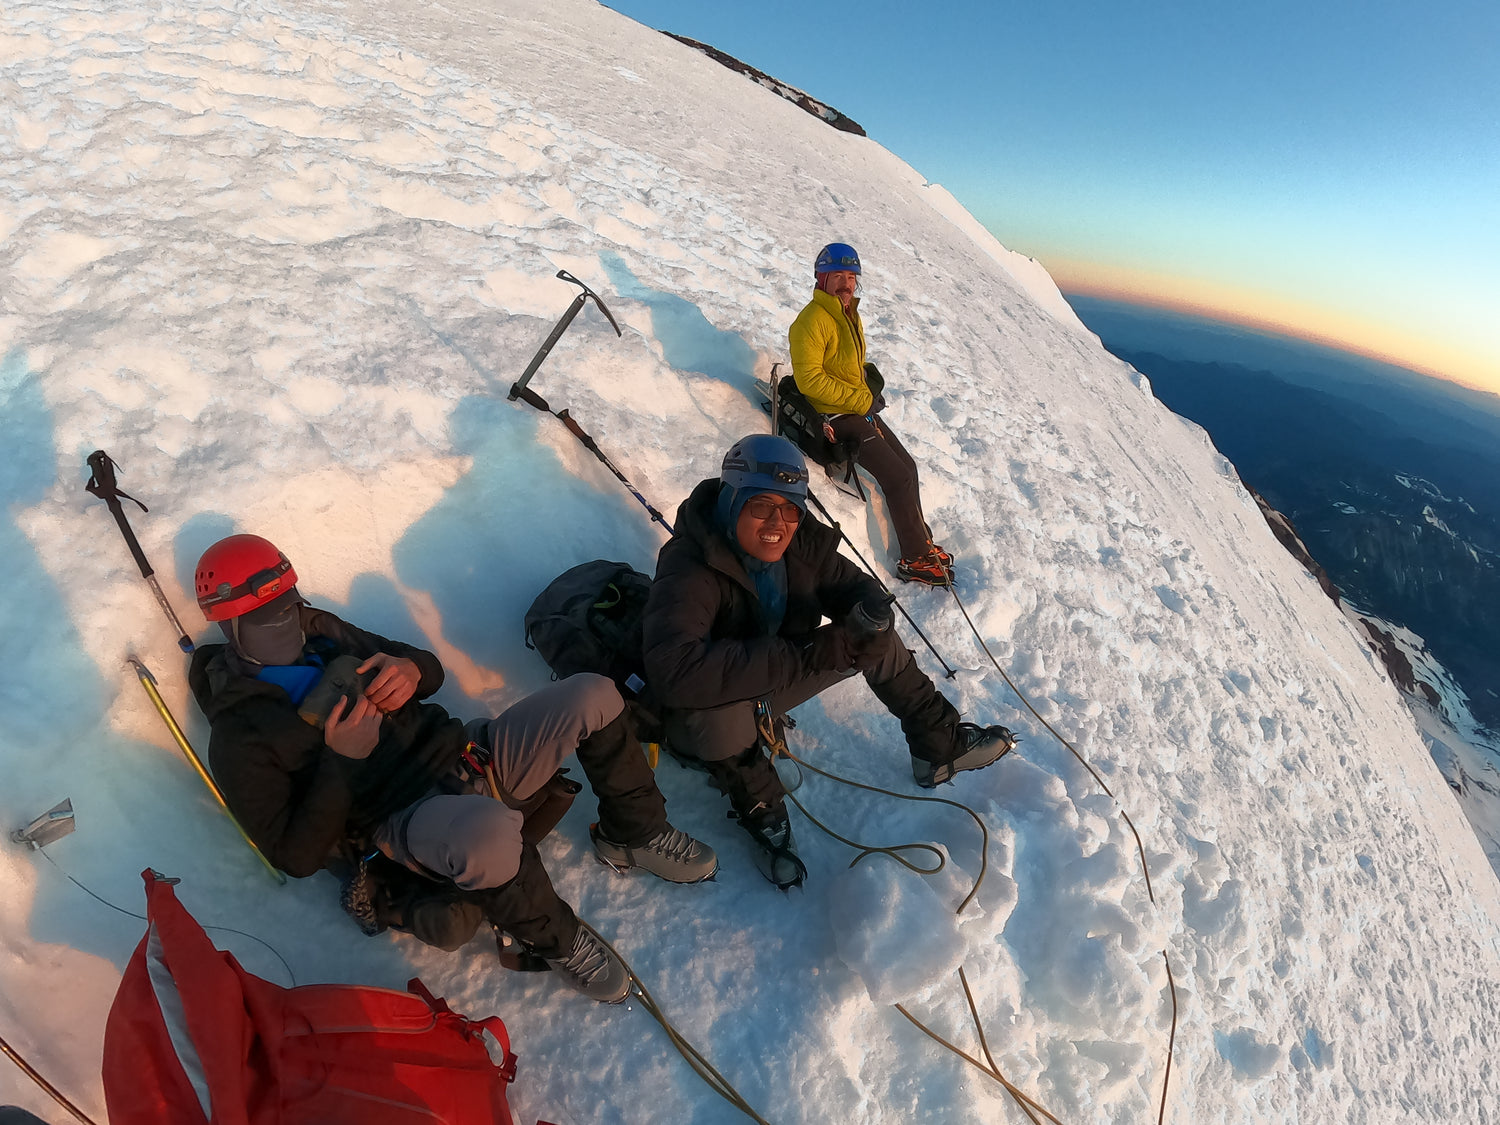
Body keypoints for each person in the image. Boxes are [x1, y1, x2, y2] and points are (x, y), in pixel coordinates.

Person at [187, 533, 716, 1003]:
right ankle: (557, 939)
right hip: (402, 817)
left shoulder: (323, 631)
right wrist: (340, 760)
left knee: (593, 694)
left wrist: (411, 669)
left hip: (466, 755)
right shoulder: (239, 732)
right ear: (230, 626)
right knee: (487, 836)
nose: (284, 618)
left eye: (286, 601)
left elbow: (428, 669)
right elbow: (293, 855)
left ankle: (635, 832)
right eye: (263, 615)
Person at [641, 435, 1016, 887]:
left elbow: (855, 587)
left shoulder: (800, 547)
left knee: (877, 641)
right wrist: (800, 654)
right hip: (698, 712)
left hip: (768, 683)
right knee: (719, 719)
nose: (777, 524)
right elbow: (675, 674)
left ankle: (939, 747)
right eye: (760, 505)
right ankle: (761, 807)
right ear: (730, 499)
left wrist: (867, 621)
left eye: (791, 509)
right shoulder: (689, 567)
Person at [788, 241, 953, 586]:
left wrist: (868, 382)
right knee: (896, 476)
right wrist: (859, 400)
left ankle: (921, 542)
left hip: (856, 407)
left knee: (908, 467)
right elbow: (809, 381)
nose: (846, 282)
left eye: (852, 275)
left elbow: (848, 364)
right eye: (838, 275)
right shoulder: (811, 321)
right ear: (821, 277)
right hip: (835, 416)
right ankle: (913, 559)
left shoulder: (848, 314)